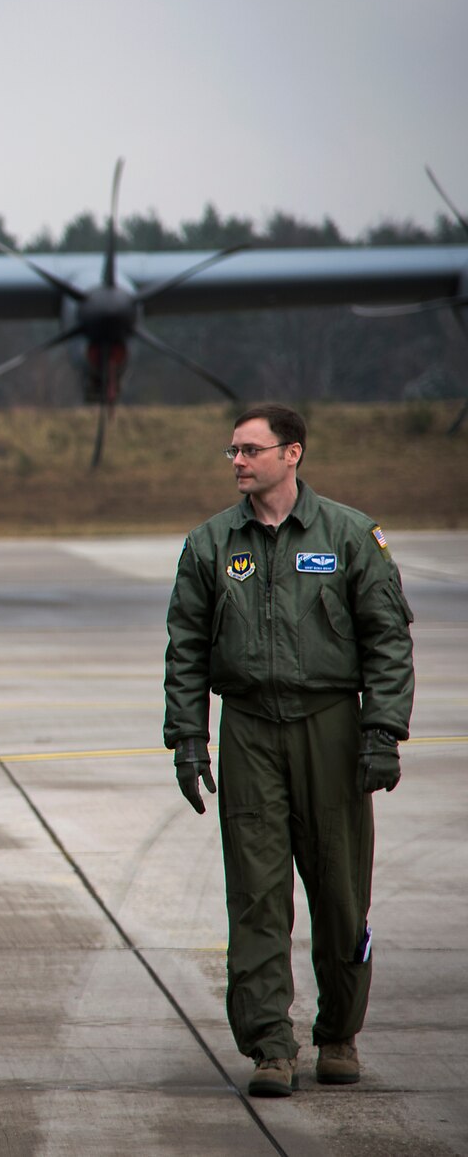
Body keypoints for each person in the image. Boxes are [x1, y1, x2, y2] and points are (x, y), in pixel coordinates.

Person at [163, 402, 414, 1099]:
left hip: (330, 727)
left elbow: (387, 639)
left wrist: (383, 731)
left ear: (292, 453)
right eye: (233, 451)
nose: (238, 461)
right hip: (249, 730)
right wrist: (187, 736)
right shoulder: (212, 545)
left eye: (250, 449)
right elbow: (185, 649)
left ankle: (337, 1033)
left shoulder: (350, 535)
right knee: (256, 896)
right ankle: (271, 1045)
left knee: (339, 892)